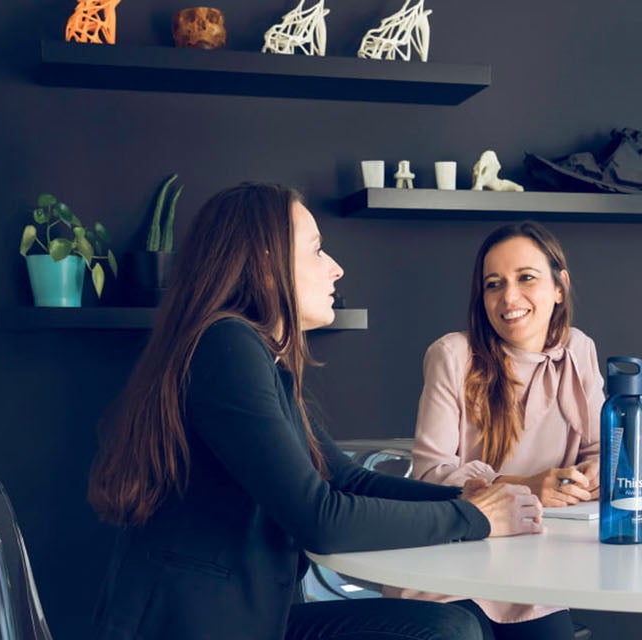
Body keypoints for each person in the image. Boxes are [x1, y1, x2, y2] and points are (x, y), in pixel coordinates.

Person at [88, 183, 546, 640]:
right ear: (268, 262)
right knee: (447, 633)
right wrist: (476, 519)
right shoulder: (225, 345)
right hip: (191, 630)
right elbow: (320, 519)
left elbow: (347, 479)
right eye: (317, 250)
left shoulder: (258, 356)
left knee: (450, 625)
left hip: (256, 622)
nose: (336, 269)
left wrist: (468, 498)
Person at [384, 222, 601, 640]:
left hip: (538, 571)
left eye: (526, 278)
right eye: (493, 284)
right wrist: (526, 486)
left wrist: (594, 472)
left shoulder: (579, 350)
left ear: (560, 287)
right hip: (451, 572)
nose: (509, 298)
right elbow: (432, 474)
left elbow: (600, 448)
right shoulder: (453, 355)